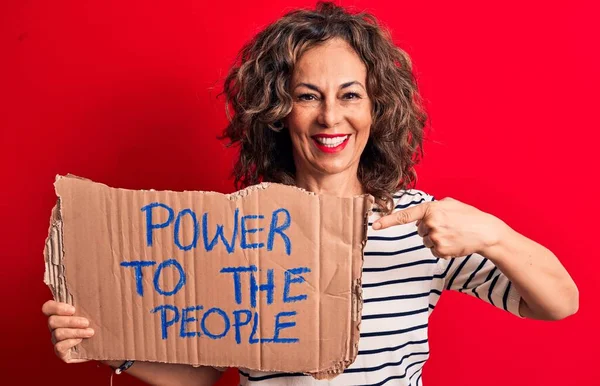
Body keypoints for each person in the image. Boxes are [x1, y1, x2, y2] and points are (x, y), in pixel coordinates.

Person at [42, 2, 579, 385]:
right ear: (279, 111)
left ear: (376, 109)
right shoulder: (240, 228)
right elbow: (204, 373)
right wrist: (107, 345)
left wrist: (492, 233)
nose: (330, 116)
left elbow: (559, 303)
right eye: (307, 96)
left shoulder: (424, 224)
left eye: (350, 95)